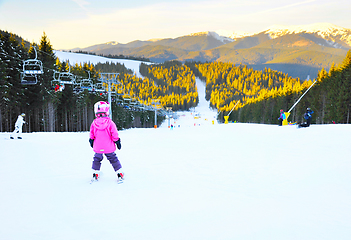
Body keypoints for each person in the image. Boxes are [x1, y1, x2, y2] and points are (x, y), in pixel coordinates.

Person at [89, 101, 124, 183]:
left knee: (97, 159)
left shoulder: (94, 123)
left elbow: (92, 134)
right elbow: (114, 134)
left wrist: (91, 140)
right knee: (113, 159)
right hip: (109, 147)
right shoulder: (110, 123)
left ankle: (95, 174)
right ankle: (119, 173)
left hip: (98, 146)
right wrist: (117, 141)